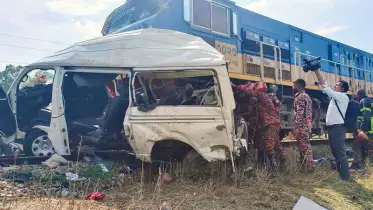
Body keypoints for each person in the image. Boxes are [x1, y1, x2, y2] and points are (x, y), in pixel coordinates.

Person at [232, 83, 285, 169]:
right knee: (274, 145)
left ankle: (274, 168)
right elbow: (251, 113)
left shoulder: (262, 95)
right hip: (270, 124)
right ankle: (281, 164)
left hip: (271, 124)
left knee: (268, 146)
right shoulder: (261, 99)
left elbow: (248, 91)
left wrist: (235, 86)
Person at [313, 69, 351, 180]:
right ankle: (342, 175)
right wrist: (317, 75)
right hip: (333, 129)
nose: (335, 86)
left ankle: (345, 176)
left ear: (342, 89)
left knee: (339, 152)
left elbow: (326, 88)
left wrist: (317, 71)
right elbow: (324, 87)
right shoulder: (336, 98)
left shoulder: (343, 97)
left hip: (337, 128)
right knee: (336, 152)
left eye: (337, 85)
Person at [291, 79, 314, 171]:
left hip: (302, 126)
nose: (293, 87)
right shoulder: (307, 96)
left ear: (298, 86)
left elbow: (300, 113)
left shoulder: (300, 97)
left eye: (294, 85)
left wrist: (296, 127)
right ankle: (305, 166)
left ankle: (309, 167)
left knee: (304, 146)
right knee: (304, 146)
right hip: (306, 125)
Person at [351, 89, 373, 169]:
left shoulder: (363, 101)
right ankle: (367, 165)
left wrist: (362, 129)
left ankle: (358, 165)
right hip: (371, 129)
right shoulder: (370, 100)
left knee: (356, 146)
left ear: (358, 95)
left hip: (368, 128)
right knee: (368, 148)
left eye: (356, 94)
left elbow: (366, 115)